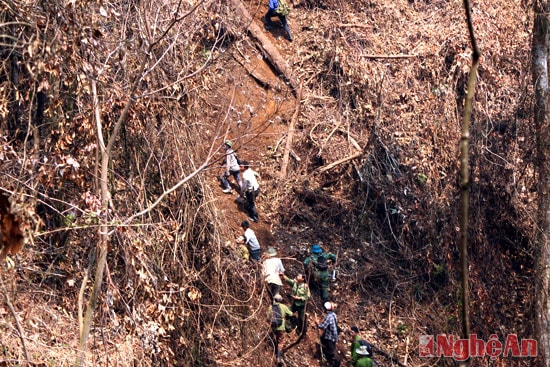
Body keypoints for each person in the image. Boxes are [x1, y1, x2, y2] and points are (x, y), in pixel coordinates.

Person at [267, 294, 293, 363]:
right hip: (281, 327)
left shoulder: (270, 307)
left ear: (274, 299)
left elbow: (267, 318)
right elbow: (291, 314)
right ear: (280, 300)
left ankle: (272, 348)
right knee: (281, 342)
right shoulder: (283, 306)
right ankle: (278, 357)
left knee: (275, 337)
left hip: (273, 327)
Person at [317, 301, 340, 367]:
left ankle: (336, 363)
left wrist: (317, 324)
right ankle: (328, 353)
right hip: (334, 335)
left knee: (333, 350)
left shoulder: (329, 316)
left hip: (330, 337)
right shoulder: (333, 314)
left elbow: (323, 326)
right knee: (322, 339)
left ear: (326, 309)